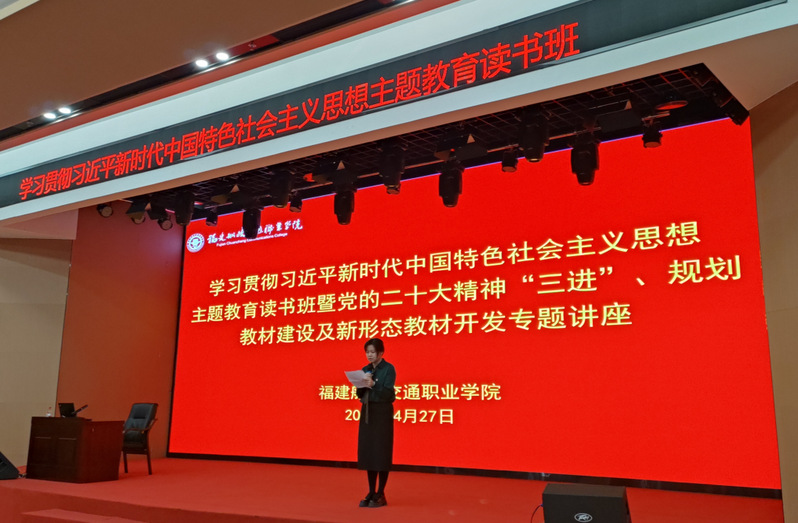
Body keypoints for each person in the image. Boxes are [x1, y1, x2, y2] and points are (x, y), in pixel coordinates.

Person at [356, 337, 396, 508]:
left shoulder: (388, 369)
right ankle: (371, 491)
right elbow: (359, 395)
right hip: (368, 413)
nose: (370, 355)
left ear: (381, 353)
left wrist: (374, 384)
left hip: (382, 413)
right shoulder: (365, 369)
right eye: (367, 352)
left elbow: (389, 393)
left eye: (373, 352)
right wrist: (361, 385)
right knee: (370, 453)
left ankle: (381, 492)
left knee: (381, 453)